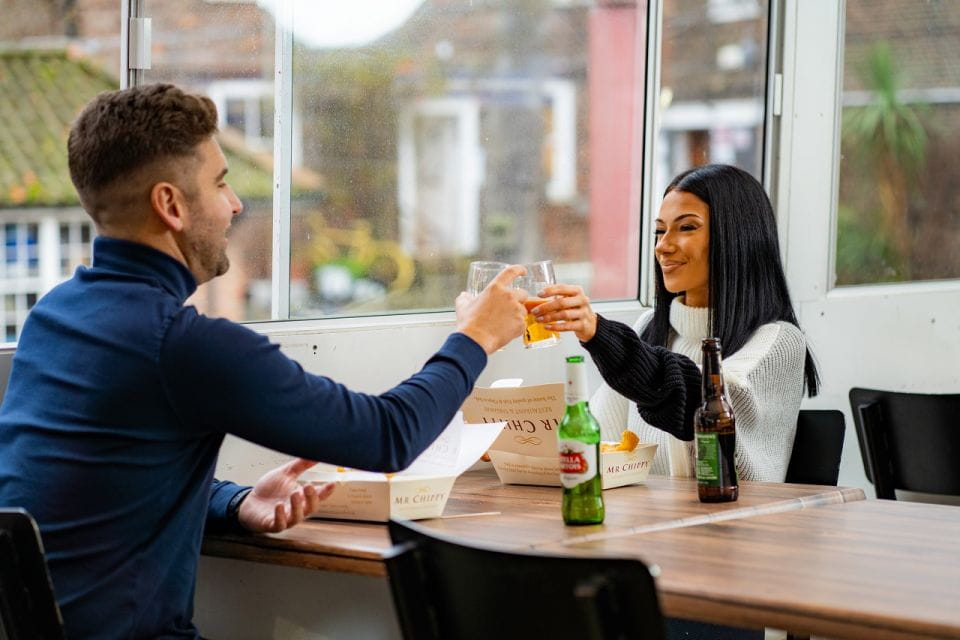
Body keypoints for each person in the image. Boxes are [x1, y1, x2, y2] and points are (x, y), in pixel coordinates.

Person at [0, 83, 527, 640]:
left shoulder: (55, 318)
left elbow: (96, 491)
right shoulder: (183, 345)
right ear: (170, 205)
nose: (235, 203)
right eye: (220, 182)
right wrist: (476, 338)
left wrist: (234, 500)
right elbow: (388, 437)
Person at [534, 163, 819, 483]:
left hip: (734, 526)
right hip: (650, 522)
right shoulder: (650, 329)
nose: (663, 246)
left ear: (737, 237)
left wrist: (599, 333)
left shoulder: (778, 340)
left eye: (686, 228)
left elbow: (707, 408)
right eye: (659, 231)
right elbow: (598, 435)